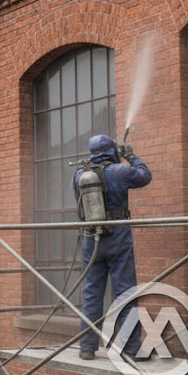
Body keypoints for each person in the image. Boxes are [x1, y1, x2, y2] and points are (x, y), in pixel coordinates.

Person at [73, 134, 152, 360]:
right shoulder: (120, 171)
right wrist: (130, 155)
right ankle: (130, 349)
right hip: (118, 238)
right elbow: (145, 176)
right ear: (111, 151)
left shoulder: (80, 175)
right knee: (125, 293)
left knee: (91, 292)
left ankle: (87, 348)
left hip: (91, 239)